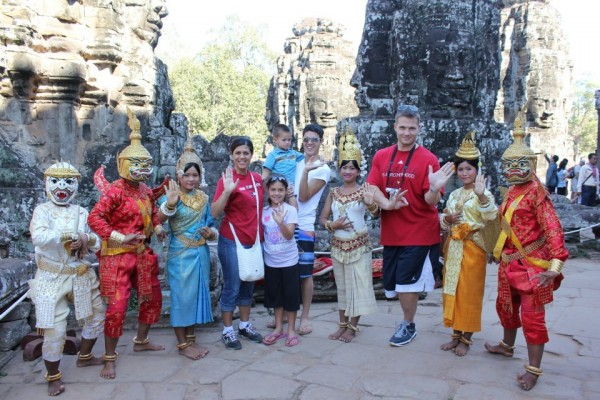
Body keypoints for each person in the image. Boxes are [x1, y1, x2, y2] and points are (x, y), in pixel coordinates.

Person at [485, 109, 568, 391]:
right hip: (509, 264)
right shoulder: (510, 192)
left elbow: (553, 229)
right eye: (509, 165)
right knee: (506, 307)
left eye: (519, 164)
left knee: (533, 318)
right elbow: (501, 224)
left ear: (530, 164)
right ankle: (507, 346)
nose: (512, 170)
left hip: (533, 265)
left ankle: (533, 370)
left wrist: (555, 266)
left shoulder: (537, 194)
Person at [365, 104, 454, 347]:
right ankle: (407, 320)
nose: (406, 133)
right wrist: (387, 204)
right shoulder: (382, 156)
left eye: (412, 128)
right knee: (392, 284)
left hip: (419, 232)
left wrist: (435, 188)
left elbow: (430, 200)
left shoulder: (428, 159)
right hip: (392, 232)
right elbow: (371, 187)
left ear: (419, 129)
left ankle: (408, 323)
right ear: (395, 127)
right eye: (402, 127)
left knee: (406, 282)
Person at [88, 110, 165, 380]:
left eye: (146, 165)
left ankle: (141, 341)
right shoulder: (115, 191)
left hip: (142, 253)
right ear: (123, 164)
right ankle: (109, 357)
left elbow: (152, 211)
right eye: (137, 164)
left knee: (153, 299)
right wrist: (120, 237)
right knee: (117, 307)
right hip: (117, 255)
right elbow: (94, 218)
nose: (143, 170)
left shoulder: (144, 190)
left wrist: (157, 226)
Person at [29, 162, 105, 396]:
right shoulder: (42, 211)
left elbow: (98, 242)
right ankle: (53, 376)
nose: (62, 187)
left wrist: (85, 239)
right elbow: (39, 237)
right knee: (55, 329)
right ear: (47, 183)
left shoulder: (81, 212)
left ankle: (85, 356)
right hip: (51, 276)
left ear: (76, 185)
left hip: (79, 272)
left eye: (68, 181)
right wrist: (68, 236)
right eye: (56, 181)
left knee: (96, 316)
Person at [438, 132, 498, 357]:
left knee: (469, 293)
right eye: (461, 169)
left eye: (469, 169)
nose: (464, 173)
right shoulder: (453, 194)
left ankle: (466, 338)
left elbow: (491, 217)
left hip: (474, 248)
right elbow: (444, 218)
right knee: (451, 289)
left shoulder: (484, 193)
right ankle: (455, 334)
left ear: (477, 170)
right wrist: (447, 219)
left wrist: (482, 197)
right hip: (453, 248)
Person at [318, 128, 380, 343]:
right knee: (342, 288)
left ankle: (353, 327)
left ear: (358, 171)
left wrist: (372, 205)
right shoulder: (333, 192)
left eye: (351, 168)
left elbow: (376, 213)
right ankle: (342, 325)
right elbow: (322, 219)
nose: (347, 171)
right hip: (338, 245)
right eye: (344, 167)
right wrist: (332, 225)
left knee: (358, 287)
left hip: (359, 246)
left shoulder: (365, 191)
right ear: (339, 169)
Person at [157, 139, 217, 360]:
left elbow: (211, 223)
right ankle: (183, 344)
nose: (191, 179)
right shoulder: (171, 195)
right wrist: (170, 204)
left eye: (195, 175)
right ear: (178, 175)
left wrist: (211, 233)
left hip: (200, 253)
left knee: (195, 297)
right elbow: (159, 218)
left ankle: (191, 339)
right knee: (182, 298)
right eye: (187, 175)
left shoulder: (203, 197)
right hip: (180, 255)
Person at [211, 136, 264, 350]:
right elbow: (215, 212)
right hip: (232, 240)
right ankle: (227, 330)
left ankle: (244, 325)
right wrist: (227, 191)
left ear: (251, 155)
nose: (242, 156)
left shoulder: (257, 178)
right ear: (232, 155)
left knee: (249, 284)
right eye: (238, 153)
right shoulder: (227, 179)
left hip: (253, 240)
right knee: (232, 285)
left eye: (246, 153)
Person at [293, 123, 332, 336]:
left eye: (314, 140)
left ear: (320, 142)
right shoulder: (298, 162)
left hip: (305, 225)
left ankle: (305, 316)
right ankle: (284, 314)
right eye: (306, 139)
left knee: (305, 274)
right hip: (288, 221)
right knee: (285, 270)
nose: (309, 143)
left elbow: (305, 196)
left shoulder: (323, 169)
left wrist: (308, 171)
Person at [261, 175, 301, 347]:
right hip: (271, 261)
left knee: (291, 297)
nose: (277, 193)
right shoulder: (263, 211)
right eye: (273, 190)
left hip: (289, 261)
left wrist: (280, 223)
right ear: (268, 191)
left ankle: (291, 329)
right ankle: (278, 328)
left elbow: (289, 234)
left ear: (286, 192)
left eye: (280, 190)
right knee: (276, 296)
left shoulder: (290, 210)